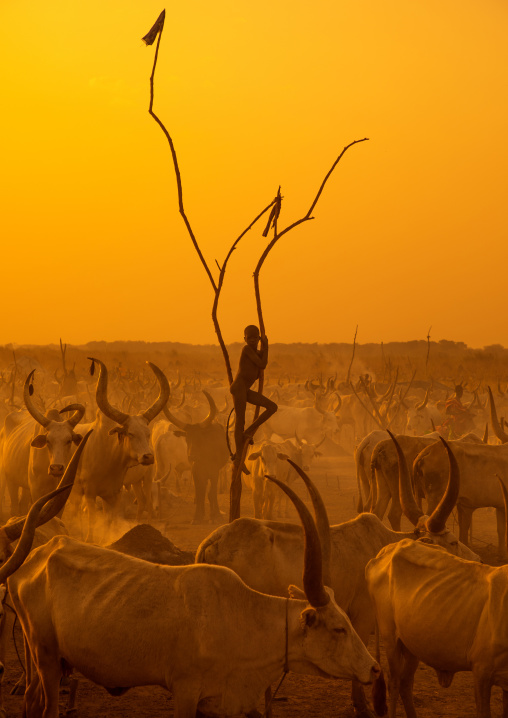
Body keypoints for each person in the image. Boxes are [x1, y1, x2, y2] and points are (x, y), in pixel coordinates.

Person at [230, 325, 278, 458]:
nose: (252, 340)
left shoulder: (258, 353)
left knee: (272, 407)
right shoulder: (246, 350)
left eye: (255, 338)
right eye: (249, 337)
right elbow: (262, 364)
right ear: (244, 339)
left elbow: (263, 362)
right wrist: (266, 346)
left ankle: (248, 432)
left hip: (245, 389)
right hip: (239, 387)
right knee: (240, 420)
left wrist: (264, 348)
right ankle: (239, 455)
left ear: (259, 339)